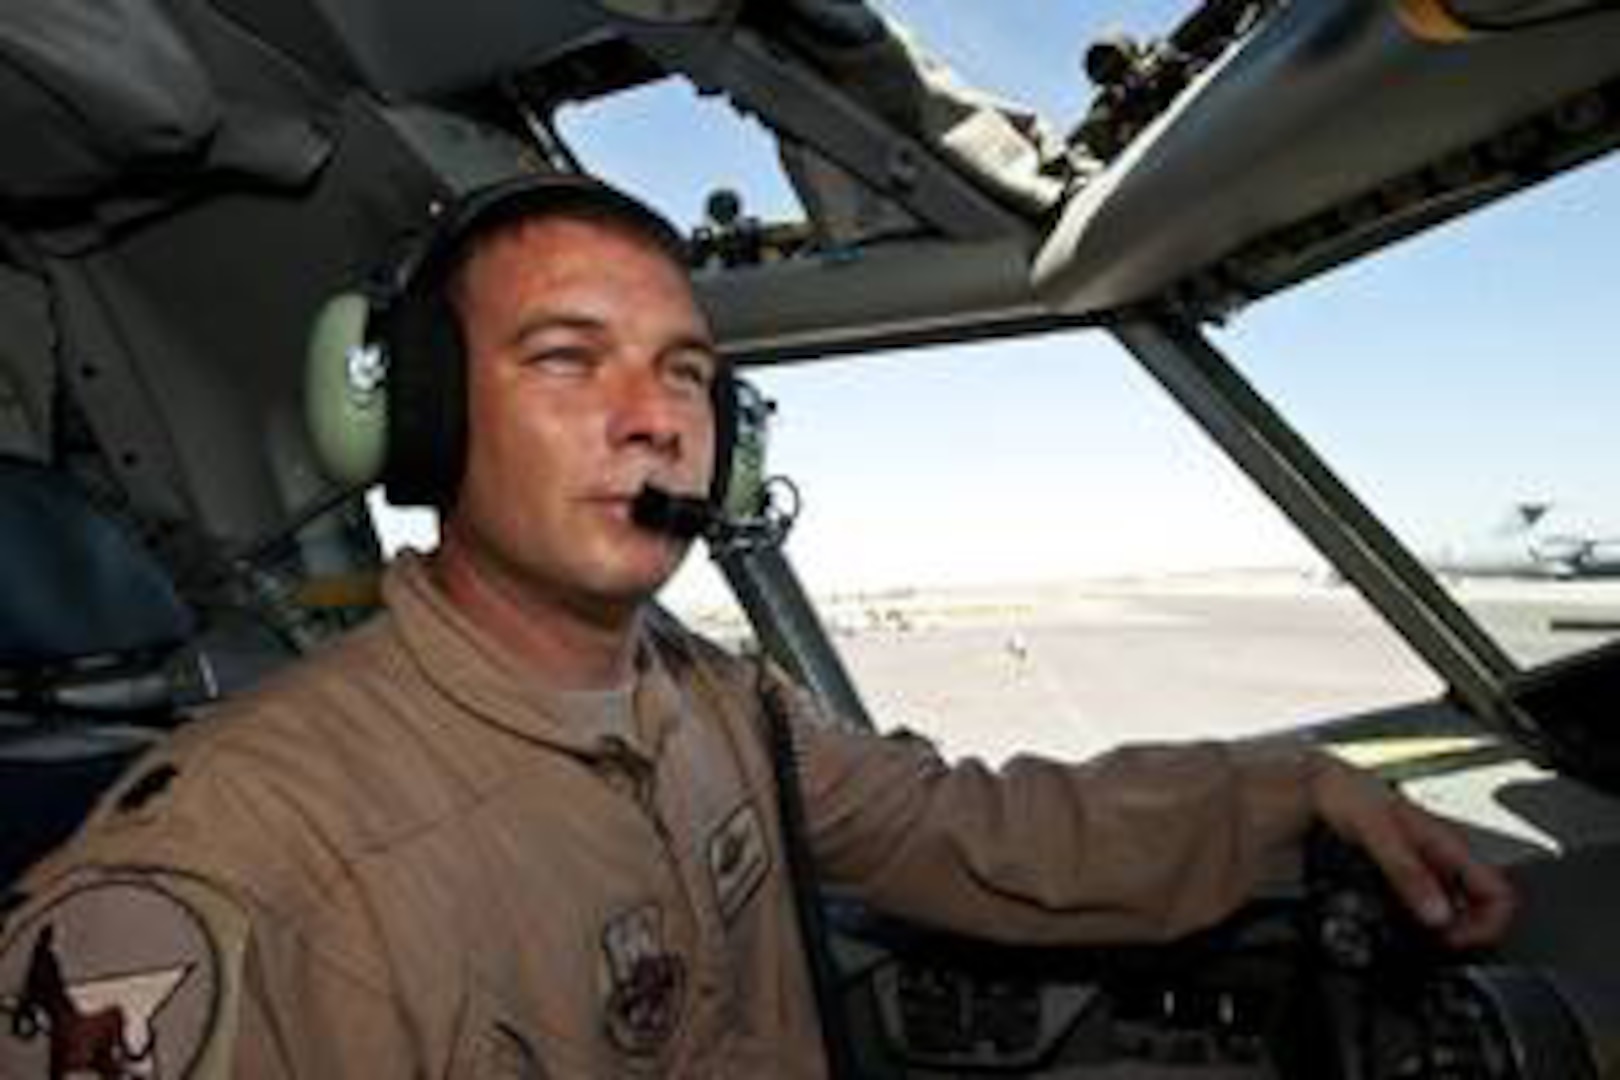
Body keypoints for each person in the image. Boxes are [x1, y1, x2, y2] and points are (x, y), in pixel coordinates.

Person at [0, 174, 1514, 1078]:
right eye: (565, 358)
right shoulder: (237, 864)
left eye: (688, 374)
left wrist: (1298, 791)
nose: (655, 420)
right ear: (425, 418)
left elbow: (976, 833)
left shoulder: (719, 707)